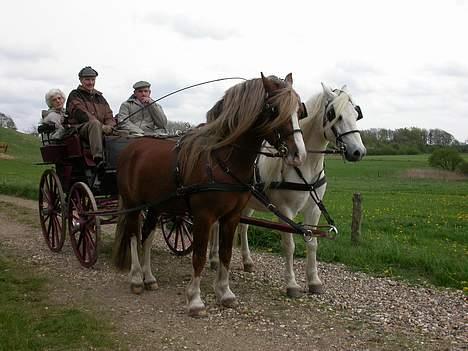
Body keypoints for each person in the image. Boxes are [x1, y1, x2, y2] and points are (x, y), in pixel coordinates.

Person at [66, 66, 115, 168]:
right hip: (80, 129)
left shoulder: (100, 98)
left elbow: (109, 116)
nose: (91, 82)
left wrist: (110, 126)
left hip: (101, 129)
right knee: (94, 124)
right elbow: (81, 114)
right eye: (87, 79)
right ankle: (98, 158)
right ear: (81, 80)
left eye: (93, 79)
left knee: (124, 132)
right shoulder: (75, 95)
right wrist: (102, 127)